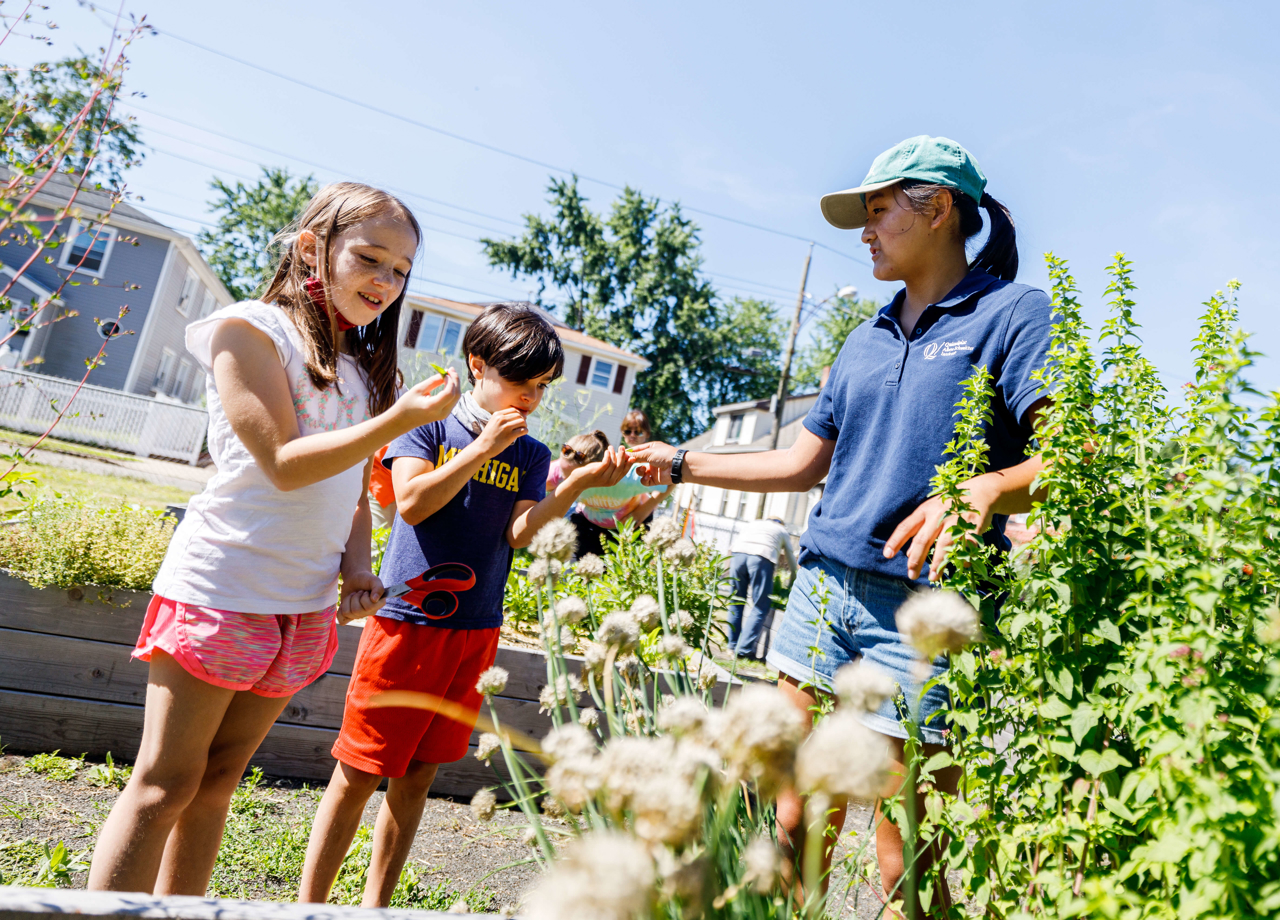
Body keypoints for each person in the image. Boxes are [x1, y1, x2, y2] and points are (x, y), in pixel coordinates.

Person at [632, 136, 1053, 913]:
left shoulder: (1012, 313)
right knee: (787, 826)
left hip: (925, 615)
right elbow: (799, 464)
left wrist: (986, 488)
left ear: (942, 208)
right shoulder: (864, 338)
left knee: (906, 862)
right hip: (821, 597)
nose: (864, 230)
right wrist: (683, 461)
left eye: (879, 209)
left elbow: (1065, 456)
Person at [87, 184, 461, 895]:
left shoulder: (359, 369)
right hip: (223, 590)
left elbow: (350, 491)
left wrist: (357, 567)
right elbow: (285, 466)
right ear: (312, 247)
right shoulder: (249, 331)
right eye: (371, 259)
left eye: (401, 270)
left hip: (303, 604)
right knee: (166, 785)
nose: (385, 281)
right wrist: (396, 420)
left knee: (218, 784)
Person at [298, 303, 632, 908]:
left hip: (476, 630)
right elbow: (414, 503)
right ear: (477, 364)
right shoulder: (429, 425)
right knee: (359, 772)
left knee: (420, 774)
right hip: (406, 626)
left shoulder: (531, 455)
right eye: (519, 381)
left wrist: (577, 486)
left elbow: (519, 534)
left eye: (540, 387)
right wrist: (481, 448)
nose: (530, 398)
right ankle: (310, 905)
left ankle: (376, 903)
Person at [567, 409, 669, 555]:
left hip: (631, 521)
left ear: (647, 434)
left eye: (638, 432)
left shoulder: (651, 460)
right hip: (596, 522)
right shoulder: (616, 457)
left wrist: (643, 511)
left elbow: (670, 481)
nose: (632, 435)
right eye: (628, 431)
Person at [725, 516, 797, 661]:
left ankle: (732, 646)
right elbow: (790, 556)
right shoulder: (782, 530)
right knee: (761, 605)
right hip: (761, 557)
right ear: (781, 523)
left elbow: (731, 547)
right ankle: (744, 650)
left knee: (736, 601)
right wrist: (793, 579)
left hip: (738, 556)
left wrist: (726, 569)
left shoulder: (753, 523)